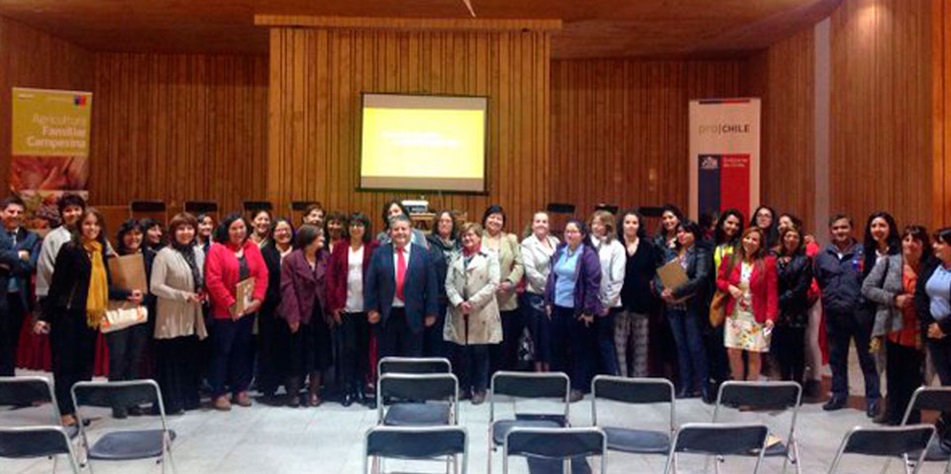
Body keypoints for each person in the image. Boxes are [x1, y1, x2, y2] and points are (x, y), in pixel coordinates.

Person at [34, 209, 130, 425]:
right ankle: (65, 412)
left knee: (83, 366)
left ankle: (75, 408)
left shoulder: (100, 250)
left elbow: (104, 287)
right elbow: (56, 285)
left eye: (96, 225)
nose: (92, 228)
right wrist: (44, 316)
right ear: (80, 227)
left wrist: (126, 294)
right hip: (66, 315)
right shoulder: (69, 249)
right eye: (87, 224)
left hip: (88, 317)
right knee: (65, 365)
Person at [814, 214, 881, 416]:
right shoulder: (823, 255)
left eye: (844, 228)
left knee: (867, 359)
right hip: (835, 314)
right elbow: (819, 278)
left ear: (851, 229)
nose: (840, 232)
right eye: (835, 228)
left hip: (860, 315)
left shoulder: (865, 253)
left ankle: (873, 399)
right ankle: (839, 395)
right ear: (830, 231)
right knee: (837, 358)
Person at [863, 225, 929, 425]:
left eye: (915, 240)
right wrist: (893, 299)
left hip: (919, 332)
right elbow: (867, 288)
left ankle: (912, 418)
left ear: (923, 244)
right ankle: (893, 415)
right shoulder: (889, 262)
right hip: (892, 329)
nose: (910, 244)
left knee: (915, 378)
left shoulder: (930, 265)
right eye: (907, 239)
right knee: (893, 376)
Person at [204, 213, 269, 411]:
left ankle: (240, 389)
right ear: (226, 230)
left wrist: (258, 299)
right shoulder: (217, 249)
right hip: (225, 312)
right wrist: (230, 304)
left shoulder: (252, 248)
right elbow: (213, 280)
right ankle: (218, 392)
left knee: (242, 350)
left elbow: (262, 275)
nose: (238, 232)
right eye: (234, 228)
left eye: (241, 228)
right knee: (222, 352)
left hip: (247, 310)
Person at [150, 213, 208, 415]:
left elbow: (201, 278)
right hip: (171, 315)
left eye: (190, 228)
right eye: (181, 229)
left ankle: (189, 399)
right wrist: (183, 295)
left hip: (193, 315)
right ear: (173, 232)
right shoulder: (164, 254)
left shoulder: (198, 252)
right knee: (171, 361)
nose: (186, 233)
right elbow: (155, 286)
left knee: (189, 359)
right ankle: (171, 403)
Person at [365, 214, 438, 358]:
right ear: (390, 233)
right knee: (387, 356)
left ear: (411, 231)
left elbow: (431, 285)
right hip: (386, 315)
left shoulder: (423, 254)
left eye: (404, 229)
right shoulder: (379, 253)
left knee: (412, 356)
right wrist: (371, 309)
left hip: (414, 315)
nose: (400, 232)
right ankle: (387, 381)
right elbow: (371, 283)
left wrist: (431, 312)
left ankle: (411, 382)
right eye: (396, 229)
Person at [545, 219, 602, 402]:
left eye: (574, 231)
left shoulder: (588, 255)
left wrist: (588, 310)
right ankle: (562, 384)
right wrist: (548, 301)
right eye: (567, 231)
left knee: (580, 350)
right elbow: (551, 278)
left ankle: (578, 387)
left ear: (583, 235)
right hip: (558, 308)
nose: (569, 234)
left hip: (578, 311)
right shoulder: (560, 251)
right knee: (558, 348)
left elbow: (593, 284)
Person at [445, 222, 501, 404]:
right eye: (464, 236)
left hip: (481, 311)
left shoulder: (490, 256)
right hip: (460, 311)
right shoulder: (456, 257)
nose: (468, 238)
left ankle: (479, 389)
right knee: (462, 352)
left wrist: (473, 302)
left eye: (472, 235)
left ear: (479, 237)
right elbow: (449, 284)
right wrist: (459, 302)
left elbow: (494, 283)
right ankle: (464, 387)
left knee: (480, 352)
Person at [655, 220, 711, 400]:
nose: (682, 235)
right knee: (681, 347)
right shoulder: (671, 252)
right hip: (673, 307)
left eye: (686, 232)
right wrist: (662, 292)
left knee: (695, 347)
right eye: (679, 232)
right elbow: (659, 275)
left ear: (695, 234)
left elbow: (700, 278)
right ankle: (686, 386)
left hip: (692, 306)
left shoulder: (701, 253)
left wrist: (676, 291)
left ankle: (703, 386)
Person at [327, 212, 378, 407]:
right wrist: (333, 307)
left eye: (360, 225)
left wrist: (375, 307)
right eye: (353, 225)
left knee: (364, 350)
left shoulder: (373, 247)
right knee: (347, 350)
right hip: (345, 308)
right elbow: (331, 278)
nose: (356, 228)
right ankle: (347, 388)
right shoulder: (340, 248)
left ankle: (360, 387)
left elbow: (378, 277)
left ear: (366, 228)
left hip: (366, 309)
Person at [106, 219, 155, 418]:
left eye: (137, 234)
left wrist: (144, 297)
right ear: (122, 236)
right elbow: (104, 288)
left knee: (135, 359)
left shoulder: (150, 258)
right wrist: (125, 293)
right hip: (118, 313)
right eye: (129, 234)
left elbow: (157, 287)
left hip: (141, 314)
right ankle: (117, 402)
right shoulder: (110, 258)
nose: (133, 238)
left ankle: (132, 401)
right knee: (118, 357)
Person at [279, 225, 332, 407]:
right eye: (319, 237)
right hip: (300, 314)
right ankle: (294, 392)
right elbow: (287, 289)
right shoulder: (291, 260)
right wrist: (293, 317)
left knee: (319, 354)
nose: (323, 240)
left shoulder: (325, 257)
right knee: (296, 354)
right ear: (308, 240)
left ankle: (314, 392)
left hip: (320, 314)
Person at [718, 227, 778, 382]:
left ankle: (750, 391)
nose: (750, 242)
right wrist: (729, 287)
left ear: (760, 244)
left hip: (756, 315)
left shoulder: (768, 262)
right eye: (747, 238)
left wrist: (771, 316)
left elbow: (772, 293)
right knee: (733, 352)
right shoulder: (730, 258)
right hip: (735, 313)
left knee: (754, 353)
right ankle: (738, 387)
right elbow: (720, 280)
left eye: (754, 239)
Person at [916, 227, 951, 443]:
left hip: (947, 333)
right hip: (935, 336)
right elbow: (920, 294)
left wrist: (944, 326)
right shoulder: (933, 265)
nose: (935, 246)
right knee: (946, 384)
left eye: (940, 242)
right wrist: (931, 325)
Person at [615, 209, 659, 378]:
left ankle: (639, 379)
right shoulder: (615, 245)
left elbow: (655, 272)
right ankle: (621, 378)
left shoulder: (648, 246)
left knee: (641, 344)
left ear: (639, 225)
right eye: (627, 222)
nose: (631, 226)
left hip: (642, 301)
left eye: (634, 222)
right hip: (620, 300)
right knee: (619, 343)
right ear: (622, 225)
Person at [481, 205, 524, 372]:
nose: (495, 221)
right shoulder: (477, 237)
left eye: (499, 218)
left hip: (506, 297)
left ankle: (502, 377)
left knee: (505, 341)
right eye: (491, 217)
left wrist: (510, 281)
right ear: (485, 219)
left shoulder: (511, 239)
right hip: (483, 298)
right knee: (484, 341)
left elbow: (520, 264)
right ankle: (484, 377)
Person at [0, 196, 40, 376]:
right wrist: (18, 256)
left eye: (19, 212)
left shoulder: (32, 237)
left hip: (17, 298)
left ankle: (7, 385)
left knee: (10, 342)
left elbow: (30, 265)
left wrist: (6, 259)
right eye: (11, 211)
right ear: (1, 213)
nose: (15, 215)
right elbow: (22, 261)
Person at [258, 218, 294, 399]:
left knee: (290, 347)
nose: (283, 233)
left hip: (293, 308)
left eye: (287, 229)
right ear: (273, 234)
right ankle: (269, 386)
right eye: (279, 230)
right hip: (270, 307)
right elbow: (261, 279)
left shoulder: (298, 251)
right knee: (269, 347)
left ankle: (291, 386)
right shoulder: (265, 253)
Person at [709, 209, 744, 388]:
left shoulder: (741, 247)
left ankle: (734, 386)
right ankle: (719, 382)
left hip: (735, 299)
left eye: (737, 224)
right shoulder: (713, 244)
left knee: (733, 346)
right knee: (716, 343)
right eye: (730, 223)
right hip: (716, 299)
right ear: (722, 223)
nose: (733, 227)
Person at [520, 211, 560, 372]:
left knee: (550, 336)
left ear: (549, 225)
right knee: (537, 336)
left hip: (555, 297)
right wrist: (550, 289)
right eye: (538, 221)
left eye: (545, 221)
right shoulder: (527, 244)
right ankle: (538, 374)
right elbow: (531, 273)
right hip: (535, 296)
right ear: (533, 224)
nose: (541, 224)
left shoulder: (556, 242)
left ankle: (550, 372)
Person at [35, 194, 86, 314]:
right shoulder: (52, 237)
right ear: (62, 214)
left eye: (77, 209)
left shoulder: (93, 232)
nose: (73, 213)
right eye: (68, 210)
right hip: (61, 296)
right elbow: (47, 268)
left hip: (89, 295)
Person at [774, 226, 813, 384]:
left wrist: (780, 300)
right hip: (777, 313)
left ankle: (797, 384)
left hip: (796, 311)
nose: (791, 240)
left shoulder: (804, 260)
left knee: (797, 350)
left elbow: (801, 287)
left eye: (795, 237)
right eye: (788, 236)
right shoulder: (774, 258)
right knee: (780, 350)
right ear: (782, 238)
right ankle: (784, 383)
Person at [588, 210, 624, 376]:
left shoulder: (616, 246)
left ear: (608, 226)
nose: (596, 226)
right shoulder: (585, 244)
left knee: (604, 341)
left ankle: (610, 378)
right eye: (594, 223)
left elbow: (617, 278)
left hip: (605, 304)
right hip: (587, 302)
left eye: (601, 223)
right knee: (588, 341)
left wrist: (607, 303)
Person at [425, 210, 458, 358]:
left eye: (448, 221)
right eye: (441, 221)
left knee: (454, 341)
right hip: (437, 299)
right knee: (436, 340)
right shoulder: (428, 243)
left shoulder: (460, 244)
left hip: (457, 300)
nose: (444, 224)